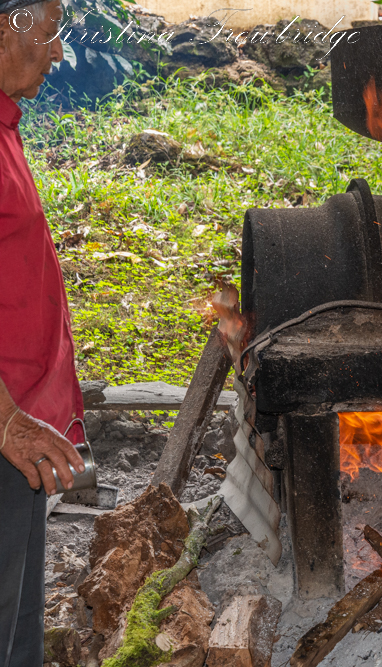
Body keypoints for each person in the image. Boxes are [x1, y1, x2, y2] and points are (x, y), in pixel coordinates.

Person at [0, 1, 87, 664]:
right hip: (7, 430)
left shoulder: (5, 124)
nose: (58, 52)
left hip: (22, 429)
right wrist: (7, 422)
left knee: (20, 623)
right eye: (51, 32)